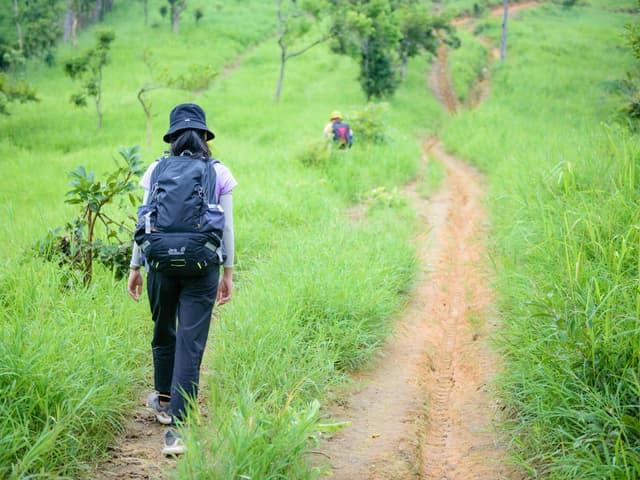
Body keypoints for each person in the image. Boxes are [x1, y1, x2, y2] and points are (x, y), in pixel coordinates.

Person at [126, 103, 237, 456]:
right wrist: (229, 271)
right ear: (205, 137)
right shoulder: (219, 173)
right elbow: (228, 228)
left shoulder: (156, 169)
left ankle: (162, 398)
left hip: (159, 264)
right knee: (191, 343)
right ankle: (177, 430)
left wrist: (135, 267)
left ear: (173, 138)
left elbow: (144, 219)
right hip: (203, 268)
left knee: (163, 329)